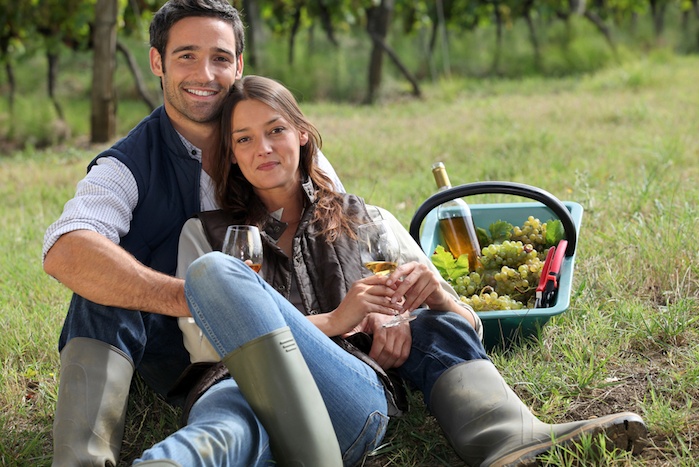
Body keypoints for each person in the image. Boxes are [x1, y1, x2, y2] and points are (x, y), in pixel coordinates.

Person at [143, 74, 647, 466]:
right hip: (238, 389)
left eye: (275, 130)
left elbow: (464, 326)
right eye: (245, 139)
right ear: (230, 154)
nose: (264, 149)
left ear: (301, 133)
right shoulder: (204, 234)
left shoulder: (368, 221)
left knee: (434, 324)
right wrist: (337, 321)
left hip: (343, 402)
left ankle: (509, 440)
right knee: (217, 415)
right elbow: (207, 346)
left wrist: (437, 298)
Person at [41, 1, 344, 465]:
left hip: (289, 337)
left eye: (221, 58)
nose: (205, 73)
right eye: (186, 56)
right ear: (157, 62)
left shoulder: (279, 144)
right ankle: (81, 458)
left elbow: (345, 237)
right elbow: (65, 249)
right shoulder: (127, 165)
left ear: (239, 64)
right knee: (100, 287)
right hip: (177, 350)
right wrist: (207, 298)